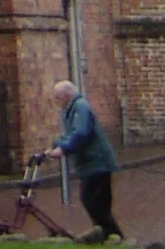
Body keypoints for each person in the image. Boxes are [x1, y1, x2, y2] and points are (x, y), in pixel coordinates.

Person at [46, 78, 120, 241]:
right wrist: (56, 145)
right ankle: (107, 235)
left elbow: (81, 133)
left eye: (58, 98)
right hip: (90, 164)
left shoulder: (80, 107)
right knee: (93, 202)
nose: (57, 102)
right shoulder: (73, 109)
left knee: (94, 202)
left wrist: (63, 148)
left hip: (97, 163)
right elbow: (71, 134)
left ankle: (114, 235)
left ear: (67, 95)